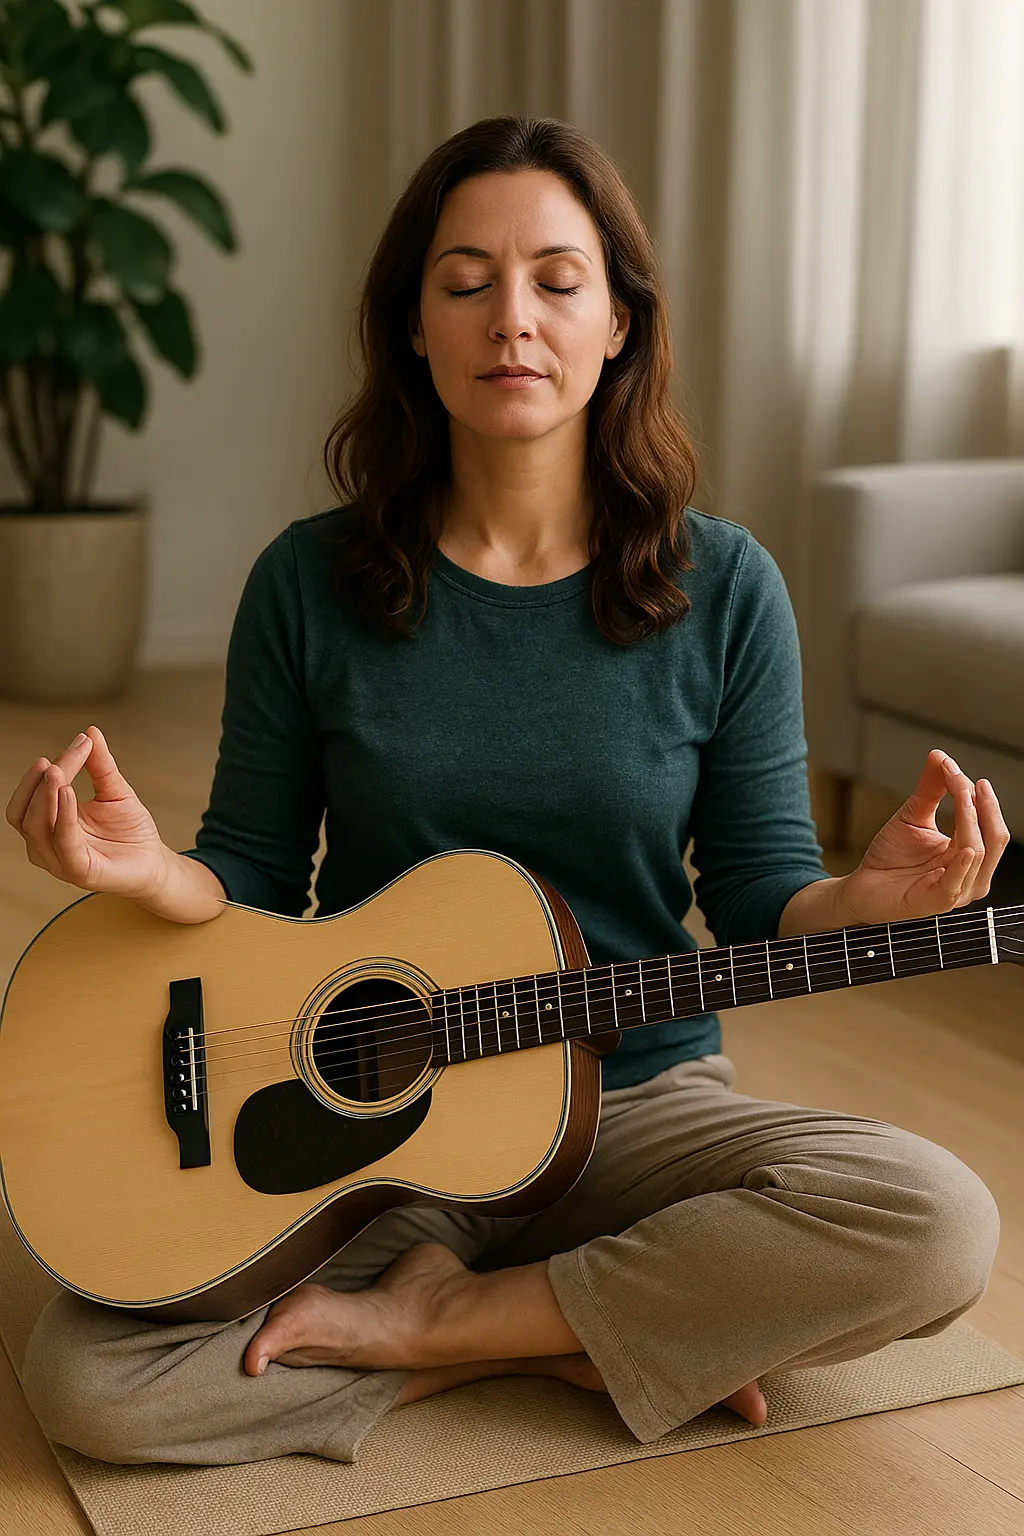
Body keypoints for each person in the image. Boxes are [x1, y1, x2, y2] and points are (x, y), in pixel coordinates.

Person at [5, 114, 1007, 1468]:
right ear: (412, 328)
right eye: (466, 283)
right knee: (87, 1382)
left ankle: (441, 1336)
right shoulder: (309, 583)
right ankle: (592, 1335)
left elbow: (769, 896)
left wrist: (867, 901)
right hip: (390, 1132)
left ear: (620, 326)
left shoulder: (728, 588)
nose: (511, 321)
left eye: (557, 280)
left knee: (939, 1222)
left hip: (643, 1102)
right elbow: (247, 870)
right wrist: (148, 875)